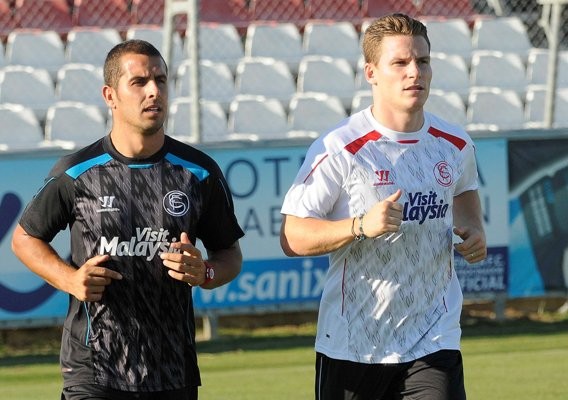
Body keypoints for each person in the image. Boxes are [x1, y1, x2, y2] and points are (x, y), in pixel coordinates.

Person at [11, 39, 244, 400]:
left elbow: (229, 254)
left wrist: (206, 273)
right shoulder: (77, 173)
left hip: (172, 369)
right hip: (93, 369)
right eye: (139, 82)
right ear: (110, 95)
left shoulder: (199, 173)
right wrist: (70, 279)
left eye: (161, 80)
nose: (154, 91)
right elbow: (25, 238)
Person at [280, 13, 486, 400]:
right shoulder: (341, 147)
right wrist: (359, 225)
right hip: (354, 342)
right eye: (400, 62)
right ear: (371, 72)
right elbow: (292, 236)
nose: (415, 72)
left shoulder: (455, 143)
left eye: (422, 61)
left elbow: (464, 189)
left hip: (434, 337)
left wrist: (474, 229)